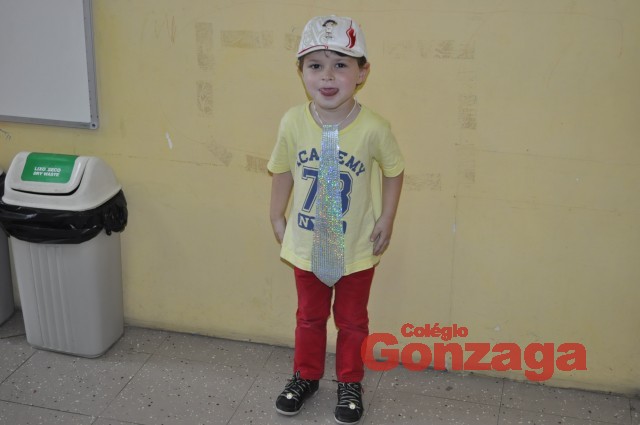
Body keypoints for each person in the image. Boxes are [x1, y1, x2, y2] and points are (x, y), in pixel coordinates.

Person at [267, 15, 404, 425]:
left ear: (362, 72)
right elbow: (282, 169)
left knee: (352, 321)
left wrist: (387, 218)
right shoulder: (293, 121)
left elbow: (394, 171)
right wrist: (275, 214)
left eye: (340, 64)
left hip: (356, 246)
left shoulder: (374, 128)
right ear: (301, 72)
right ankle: (306, 375)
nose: (327, 76)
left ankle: (349, 381)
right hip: (307, 244)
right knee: (308, 317)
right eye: (315, 65)